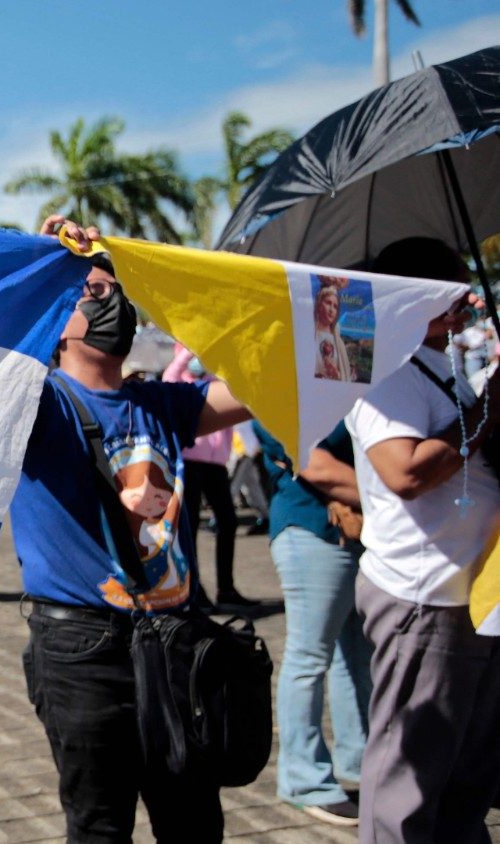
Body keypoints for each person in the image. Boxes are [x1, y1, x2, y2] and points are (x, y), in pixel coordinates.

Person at [13, 215, 252, 842]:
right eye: (92, 293)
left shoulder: (161, 404)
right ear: (56, 318)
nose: (111, 303)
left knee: (195, 823)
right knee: (100, 827)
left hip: (175, 640)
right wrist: (39, 268)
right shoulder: (37, 407)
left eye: (117, 291)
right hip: (83, 653)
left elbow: (262, 382)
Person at [344, 237, 500, 843]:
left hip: (471, 591)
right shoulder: (379, 368)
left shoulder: (441, 365)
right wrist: (489, 413)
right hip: (422, 595)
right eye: (450, 289)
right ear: (412, 297)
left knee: (468, 771)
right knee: (408, 780)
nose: (464, 301)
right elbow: (404, 471)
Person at [256, 420, 371, 827]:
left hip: (353, 530)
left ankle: (359, 760)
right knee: (310, 656)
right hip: (312, 526)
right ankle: (304, 780)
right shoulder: (286, 373)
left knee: (353, 654)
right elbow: (310, 461)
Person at [164, 345, 256, 607]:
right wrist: (187, 354)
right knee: (190, 527)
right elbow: (169, 376)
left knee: (228, 521)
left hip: (215, 464)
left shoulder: (212, 382)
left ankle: (226, 587)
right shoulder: (179, 383)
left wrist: (225, 452)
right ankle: (194, 588)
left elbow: (228, 417)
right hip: (190, 463)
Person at [314, 276, 355, 382]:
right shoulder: (309, 334)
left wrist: (336, 374)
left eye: (335, 306)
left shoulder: (338, 342)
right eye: (328, 303)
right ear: (319, 304)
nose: (331, 309)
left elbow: (345, 378)